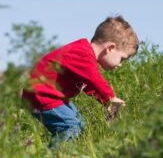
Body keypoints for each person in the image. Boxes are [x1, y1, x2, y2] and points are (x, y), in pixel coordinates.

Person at [22, 15, 139, 149]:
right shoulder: (82, 54)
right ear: (110, 48)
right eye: (122, 59)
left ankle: (64, 151)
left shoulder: (83, 54)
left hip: (50, 96)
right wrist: (110, 98)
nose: (120, 65)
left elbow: (89, 85)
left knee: (80, 124)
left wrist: (106, 102)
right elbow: (95, 80)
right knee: (71, 127)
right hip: (42, 95)